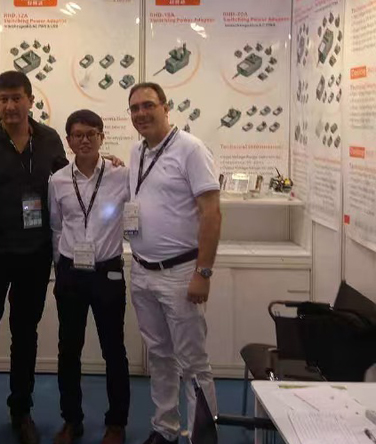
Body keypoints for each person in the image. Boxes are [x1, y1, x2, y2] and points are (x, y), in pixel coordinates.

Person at [0, 70, 68, 444]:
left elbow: (67, 188)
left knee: (25, 335)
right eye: (2, 99)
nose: (9, 106)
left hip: (34, 256)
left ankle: (21, 411)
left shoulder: (49, 139)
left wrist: (105, 165)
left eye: (16, 98)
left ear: (30, 100)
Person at [125, 82, 221, 444]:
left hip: (181, 273)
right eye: (135, 108)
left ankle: (202, 437)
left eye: (148, 105)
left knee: (193, 362)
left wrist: (203, 273)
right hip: (142, 270)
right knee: (160, 356)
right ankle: (165, 428)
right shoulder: (137, 151)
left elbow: (211, 213)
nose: (141, 113)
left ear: (166, 108)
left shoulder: (191, 149)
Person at [48, 109, 131, 444]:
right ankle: (72, 420)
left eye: (91, 134)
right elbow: (56, 226)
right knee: (68, 349)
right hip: (70, 272)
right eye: (77, 135)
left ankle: (117, 423)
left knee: (114, 349)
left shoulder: (120, 175)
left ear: (101, 137)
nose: (84, 140)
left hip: (107, 271)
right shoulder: (57, 180)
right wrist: (60, 268)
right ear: (68, 140)